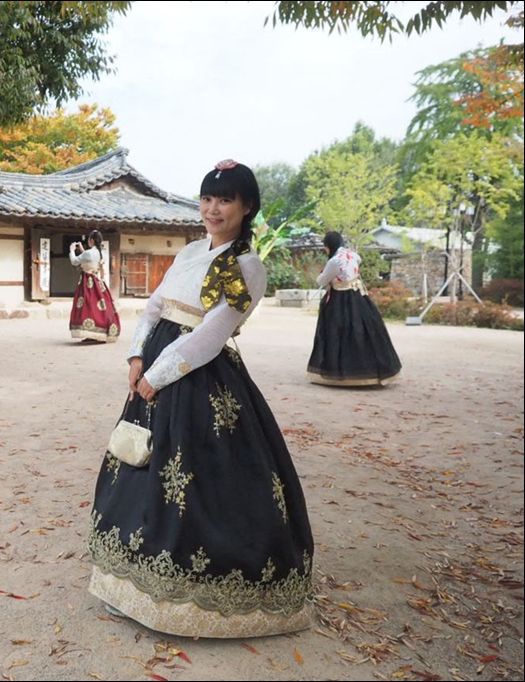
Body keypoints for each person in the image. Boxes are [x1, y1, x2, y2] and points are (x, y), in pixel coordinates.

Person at [87, 160, 315, 639]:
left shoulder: (248, 267)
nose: (213, 209)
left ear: (246, 206)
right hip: (151, 369)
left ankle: (192, 595)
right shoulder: (190, 251)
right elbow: (154, 307)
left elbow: (212, 334)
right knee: (139, 463)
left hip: (198, 380)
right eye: (207, 199)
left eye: (225, 199)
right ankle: (127, 582)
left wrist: (159, 374)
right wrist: (134, 357)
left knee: (196, 483)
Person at [306, 231, 402, 386]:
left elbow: (322, 281)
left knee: (336, 333)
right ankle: (371, 371)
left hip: (339, 299)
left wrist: (322, 275)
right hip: (358, 297)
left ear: (329, 246)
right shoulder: (354, 255)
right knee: (364, 332)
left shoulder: (335, 261)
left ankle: (339, 373)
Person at [68, 230, 120, 343]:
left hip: (88, 282)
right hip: (98, 280)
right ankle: (101, 331)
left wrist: (72, 250)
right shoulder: (102, 253)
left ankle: (91, 332)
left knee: (88, 306)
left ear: (91, 240)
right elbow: (90, 258)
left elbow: (75, 261)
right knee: (99, 306)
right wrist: (82, 250)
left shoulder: (89, 253)